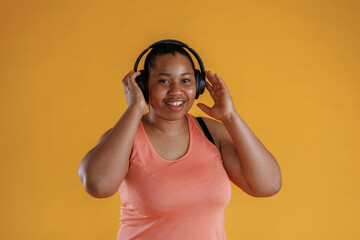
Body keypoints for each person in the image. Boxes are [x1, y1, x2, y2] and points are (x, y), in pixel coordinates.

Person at [78, 40, 282, 239]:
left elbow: (268, 186)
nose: (176, 90)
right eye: (164, 81)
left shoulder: (211, 132)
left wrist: (230, 117)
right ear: (143, 85)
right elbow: (98, 186)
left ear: (199, 85)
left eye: (185, 80)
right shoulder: (126, 136)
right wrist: (134, 108)